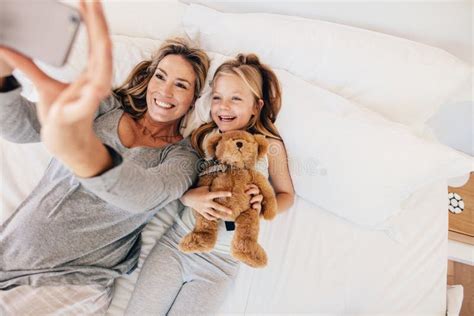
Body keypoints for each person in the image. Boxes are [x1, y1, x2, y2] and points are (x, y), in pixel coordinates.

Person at [0, 1, 210, 314]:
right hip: (9, 260)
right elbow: (22, 127)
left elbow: (144, 196)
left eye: (181, 85)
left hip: (71, 284)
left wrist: (78, 149)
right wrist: (3, 78)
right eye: (161, 77)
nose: (165, 92)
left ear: (194, 99)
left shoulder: (182, 157)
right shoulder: (106, 108)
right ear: (149, 78)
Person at [125, 53, 295, 315]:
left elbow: (287, 195)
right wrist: (189, 197)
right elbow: (177, 180)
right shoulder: (205, 137)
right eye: (217, 97)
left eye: (235, 99)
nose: (223, 107)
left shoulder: (269, 146)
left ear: (256, 106)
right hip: (177, 245)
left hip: (220, 264)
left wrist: (262, 204)